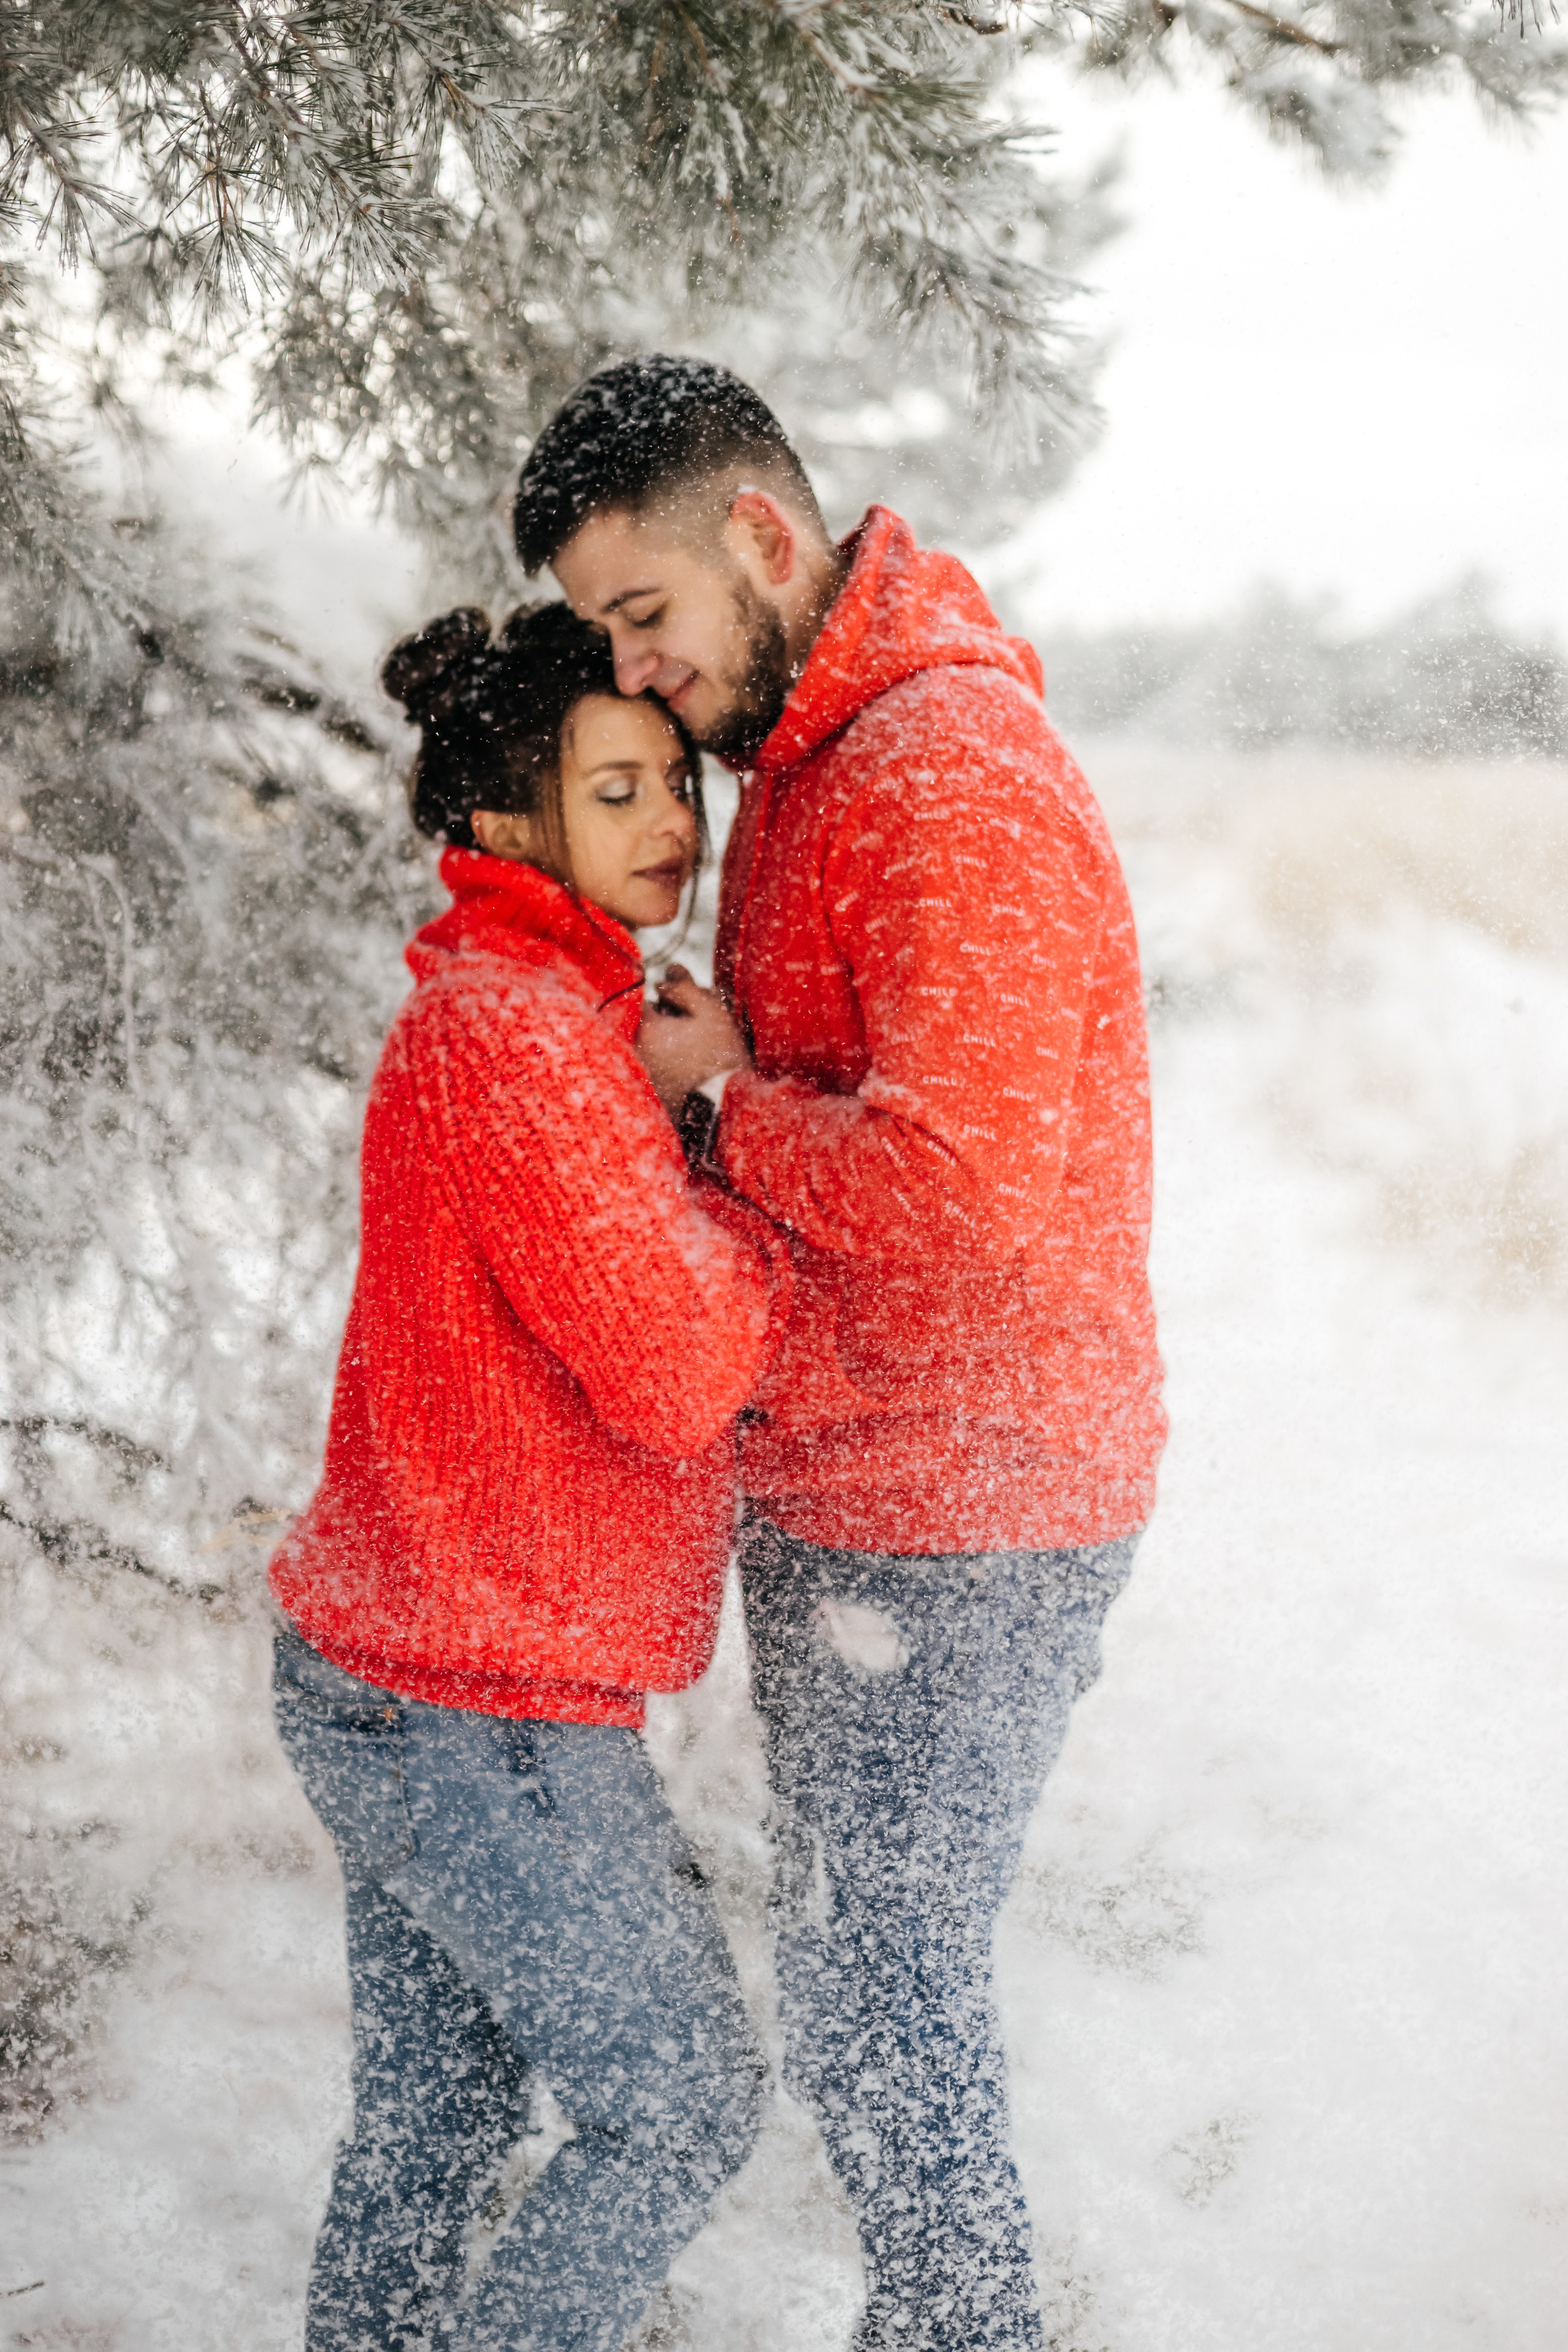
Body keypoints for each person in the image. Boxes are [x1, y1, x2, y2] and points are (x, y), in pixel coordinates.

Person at [514, 358, 1167, 2352]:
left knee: (887, 1998)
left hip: (971, 1503)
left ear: (762, 540)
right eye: (604, 631)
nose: (634, 666)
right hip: (862, 1476)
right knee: (865, 1986)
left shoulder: (948, 776)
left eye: (646, 614)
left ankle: (963, 2328)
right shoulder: (811, 749)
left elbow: (963, 1193)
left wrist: (720, 1106)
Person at [267, 600, 791, 2352]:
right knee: (682, 2107)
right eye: (615, 791)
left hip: (404, 1666)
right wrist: (728, 1137)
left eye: (677, 786)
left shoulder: (532, 1012)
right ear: (503, 817)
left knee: (438, 2124)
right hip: (479, 1702)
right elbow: (684, 1371)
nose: (671, 825)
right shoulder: (518, 1038)